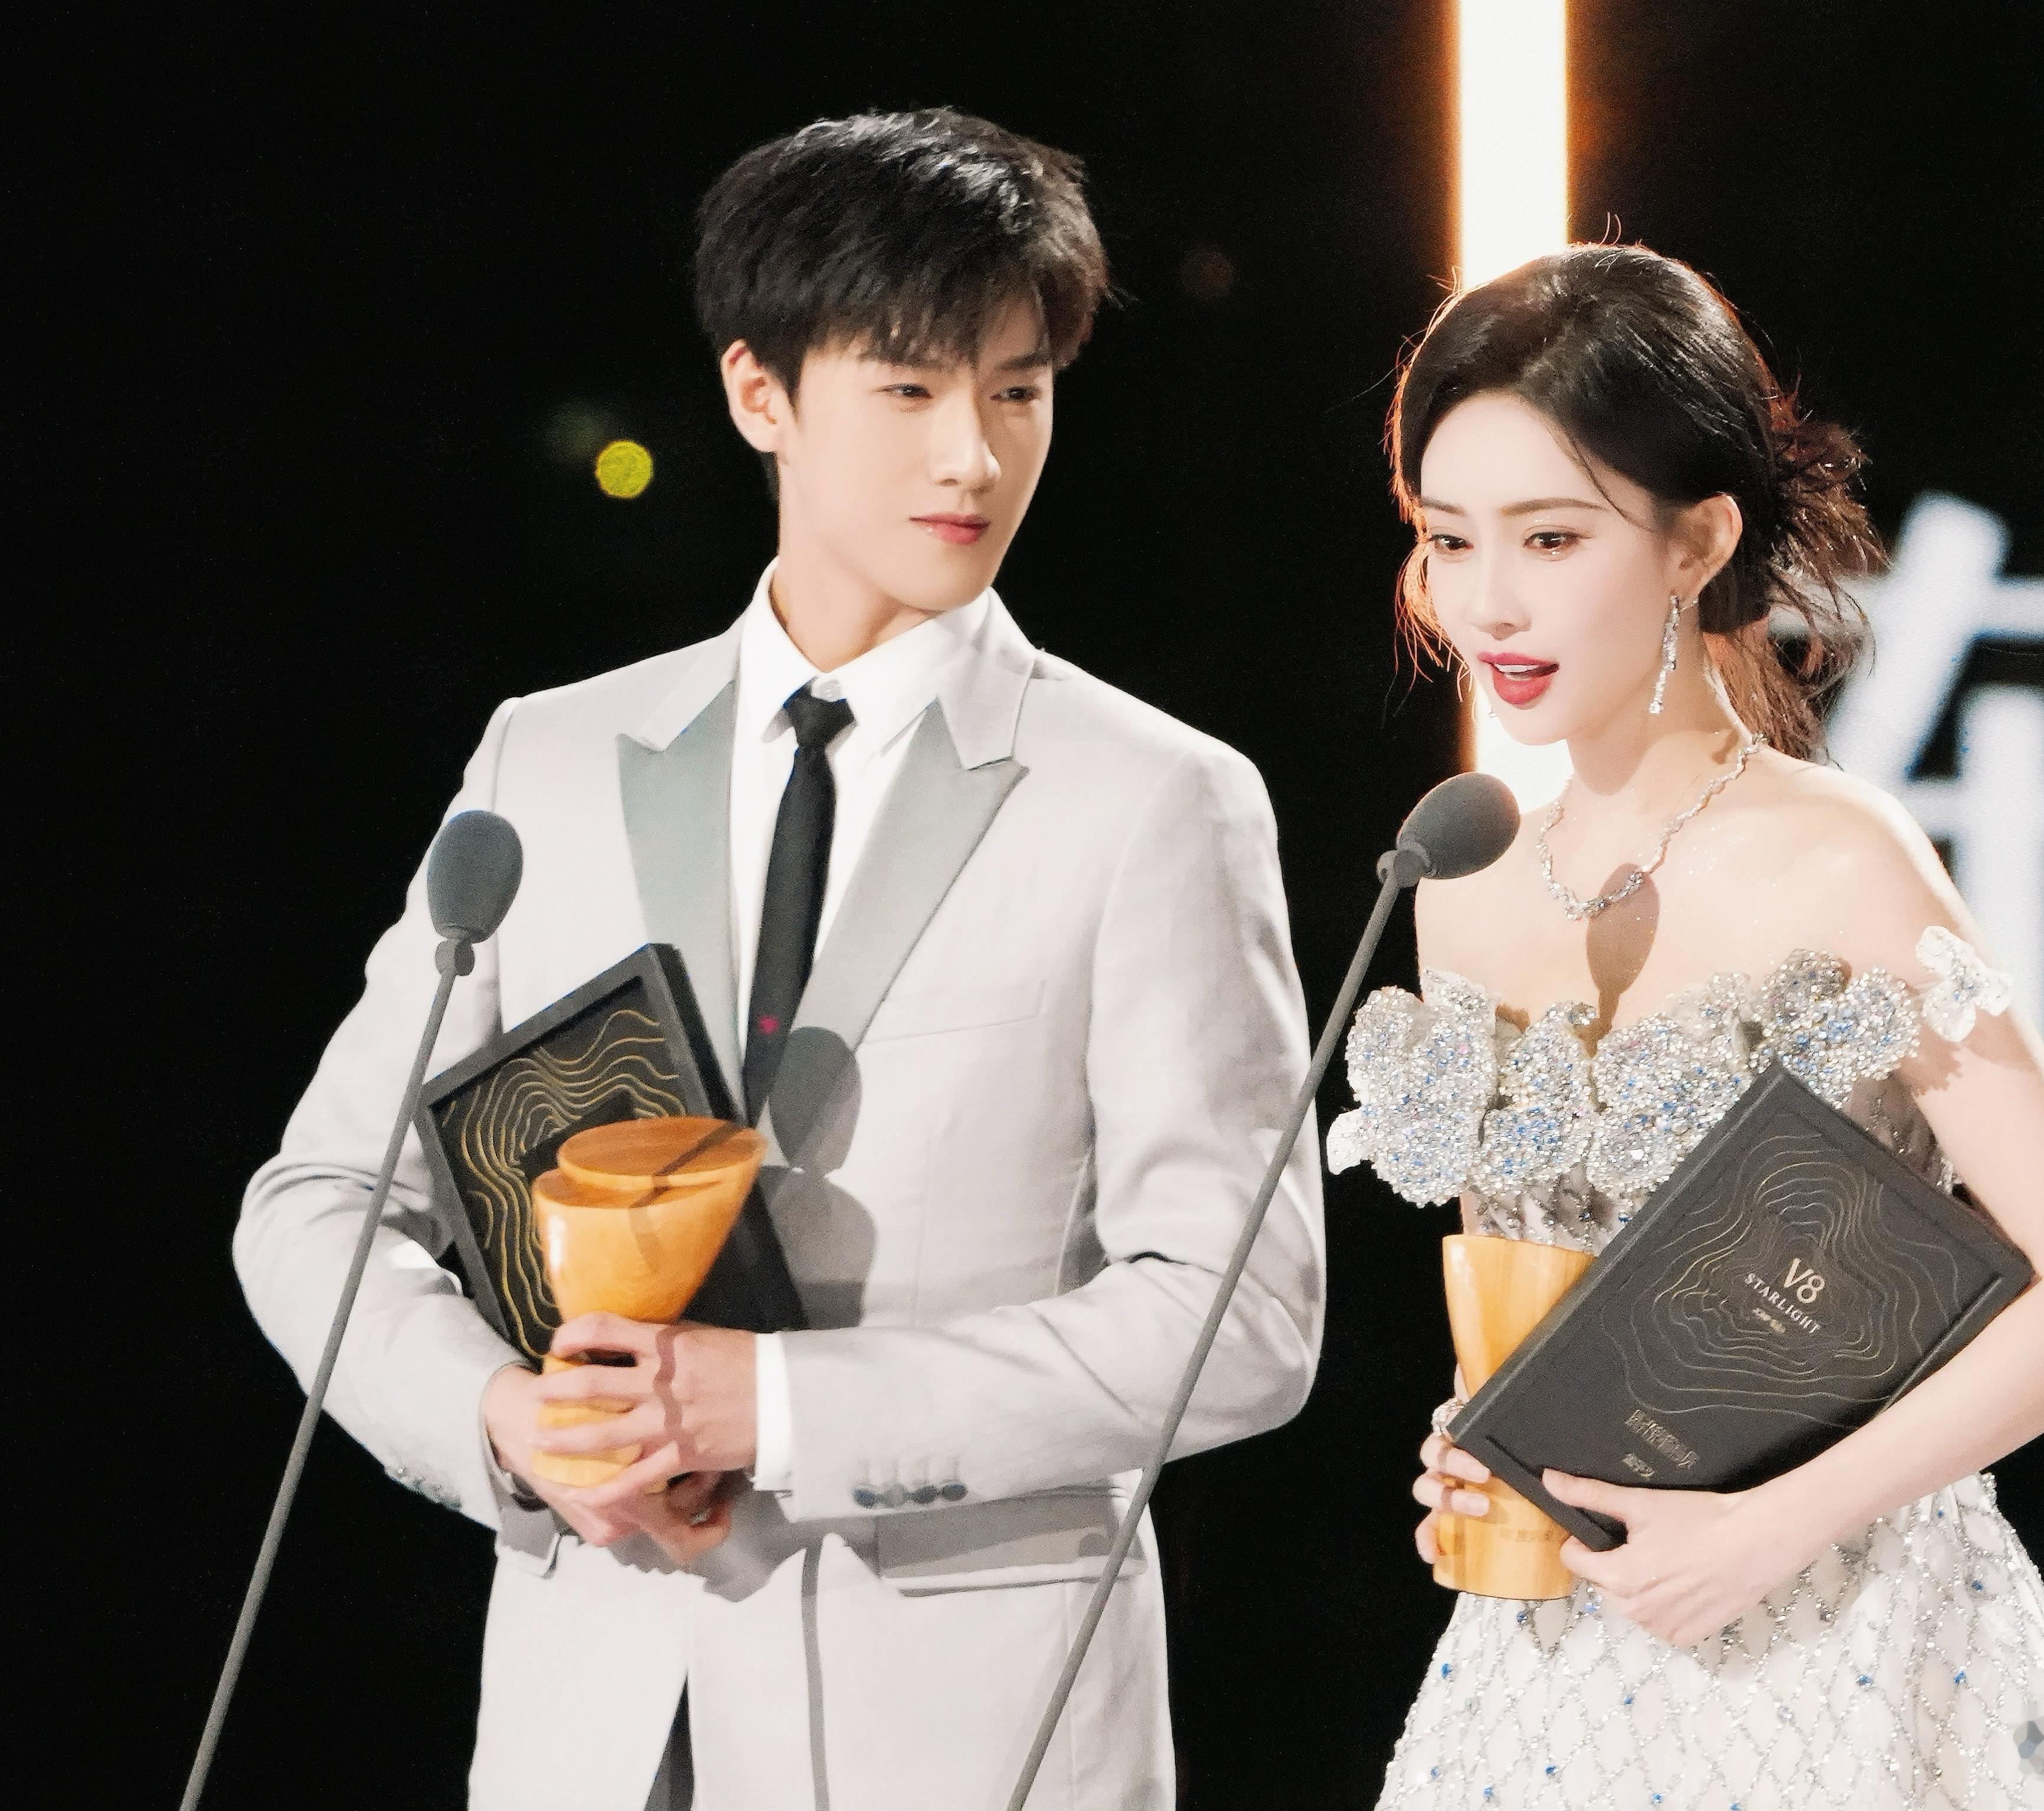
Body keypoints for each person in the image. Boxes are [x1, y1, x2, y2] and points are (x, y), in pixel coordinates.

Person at [233, 109, 1325, 1810]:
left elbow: (1239, 1313)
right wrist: (509, 1423)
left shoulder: (1155, 799)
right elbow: (316, 1204)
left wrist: (783, 1407)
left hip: (969, 1734)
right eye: (909, 390)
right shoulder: (548, 760)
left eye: (1020, 390)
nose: (974, 457)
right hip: (591, 1726)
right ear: (761, 395)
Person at [1328, 244, 2044, 1807]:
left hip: (1855, 1641)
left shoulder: (1838, 858)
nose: (1487, 601)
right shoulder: (1465, 879)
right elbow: (1542, 1316)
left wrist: (1776, 1528)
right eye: (1449, 539)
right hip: (1557, 1658)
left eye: (1551, 537)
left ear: (1697, 539)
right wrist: (1475, 1454)